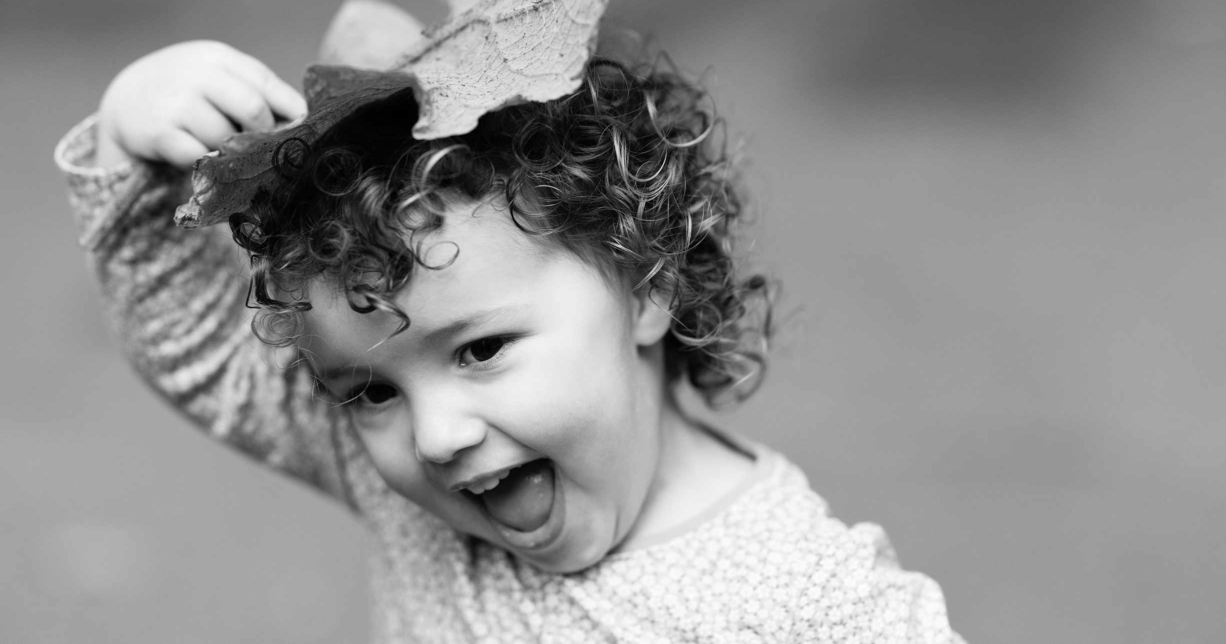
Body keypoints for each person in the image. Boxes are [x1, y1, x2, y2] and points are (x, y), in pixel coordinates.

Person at [55, 39, 965, 642]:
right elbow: (198, 345)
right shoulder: (413, 499)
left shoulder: (808, 601)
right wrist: (132, 139)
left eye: (480, 350)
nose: (436, 434)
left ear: (645, 284)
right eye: (371, 391)